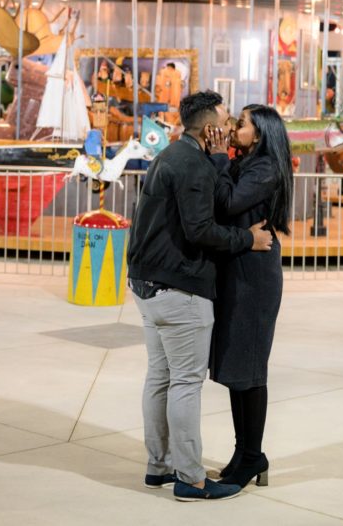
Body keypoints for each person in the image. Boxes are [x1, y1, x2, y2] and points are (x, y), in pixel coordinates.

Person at [127, 90, 273, 502]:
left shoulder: (171, 156)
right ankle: (189, 478)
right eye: (226, 120)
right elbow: (200, 230)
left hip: (147, 284)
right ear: (209, 127)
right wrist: (247, 238)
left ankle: (160, 466)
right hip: (179, 288)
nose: (229, 128)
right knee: (185, 383)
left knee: (161, 376)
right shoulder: (192, 164)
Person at [205, 105, 293, 489]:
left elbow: (227, 204)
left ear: (258, 134)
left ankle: (254, 455)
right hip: (238, 270)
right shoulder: (247, 164)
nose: (233, 127)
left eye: (240, 124)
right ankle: (244, 452)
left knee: (251, 368)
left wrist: (221, 158)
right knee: (237, 368)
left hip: (254, 279)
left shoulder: (265, 168)